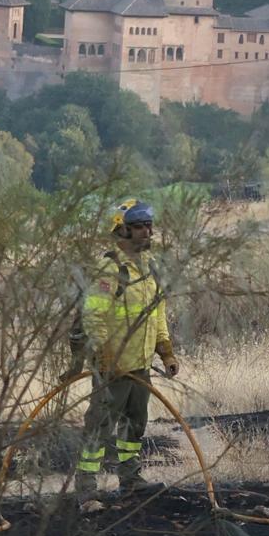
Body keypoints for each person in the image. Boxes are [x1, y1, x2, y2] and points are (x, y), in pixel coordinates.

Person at [69, 199, 179, 496]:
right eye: (139, 227)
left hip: (140, 366)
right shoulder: (110, 269)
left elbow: (157, 315)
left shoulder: (150, 270)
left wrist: (166, 351)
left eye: (148, 226)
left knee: (135, 425)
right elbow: (93, 315)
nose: (146, 232)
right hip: (112, 367)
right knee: (99, 427)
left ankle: (130, 480)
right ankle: (86, 488)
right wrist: (105, 355)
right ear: (122, 231)